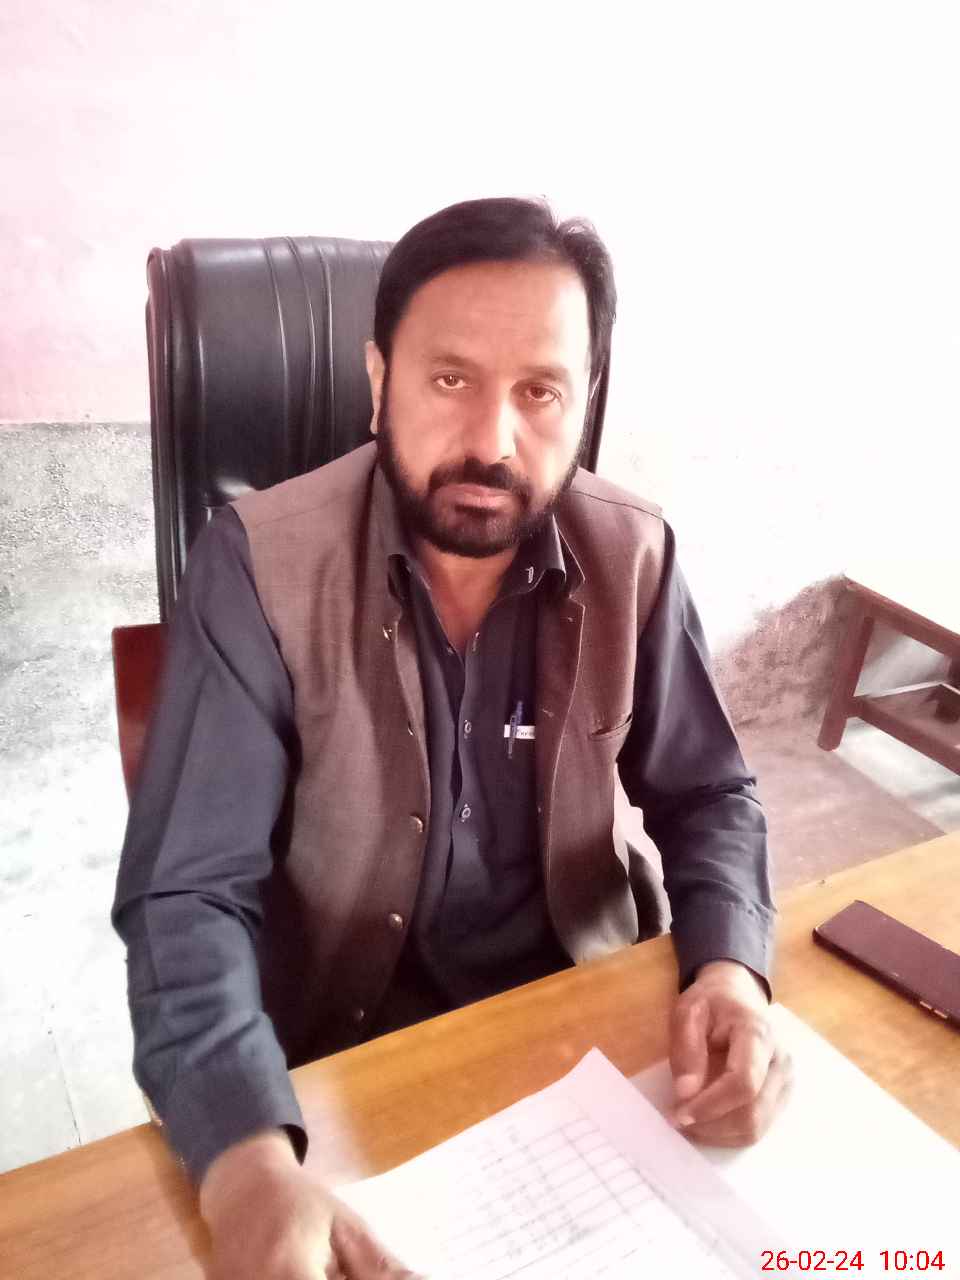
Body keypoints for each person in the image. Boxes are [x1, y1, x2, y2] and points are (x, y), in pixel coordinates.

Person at [113, 195, 791, 1279]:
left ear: (585, 400)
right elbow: (188, 891)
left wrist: (732, 972)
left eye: (540, 392)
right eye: (448, 380)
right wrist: (243, 1163)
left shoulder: (633, 555)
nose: (491, 441)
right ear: (378, 377)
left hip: (588, 1031)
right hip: (345, 1050)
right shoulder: (258, 566)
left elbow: (708, 793)